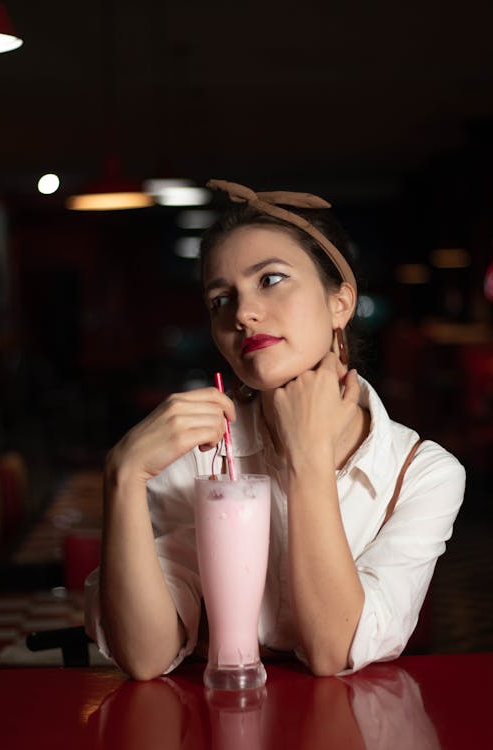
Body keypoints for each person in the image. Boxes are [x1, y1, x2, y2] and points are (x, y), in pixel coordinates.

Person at [84, 179, 465, 680]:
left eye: (271, 279)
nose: (242, 313)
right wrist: (124, 473)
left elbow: (333, 651)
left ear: (340, 303)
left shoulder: (421, 474)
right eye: (221, 300)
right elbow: (145, 656)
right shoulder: (198, 453)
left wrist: (308, 457)